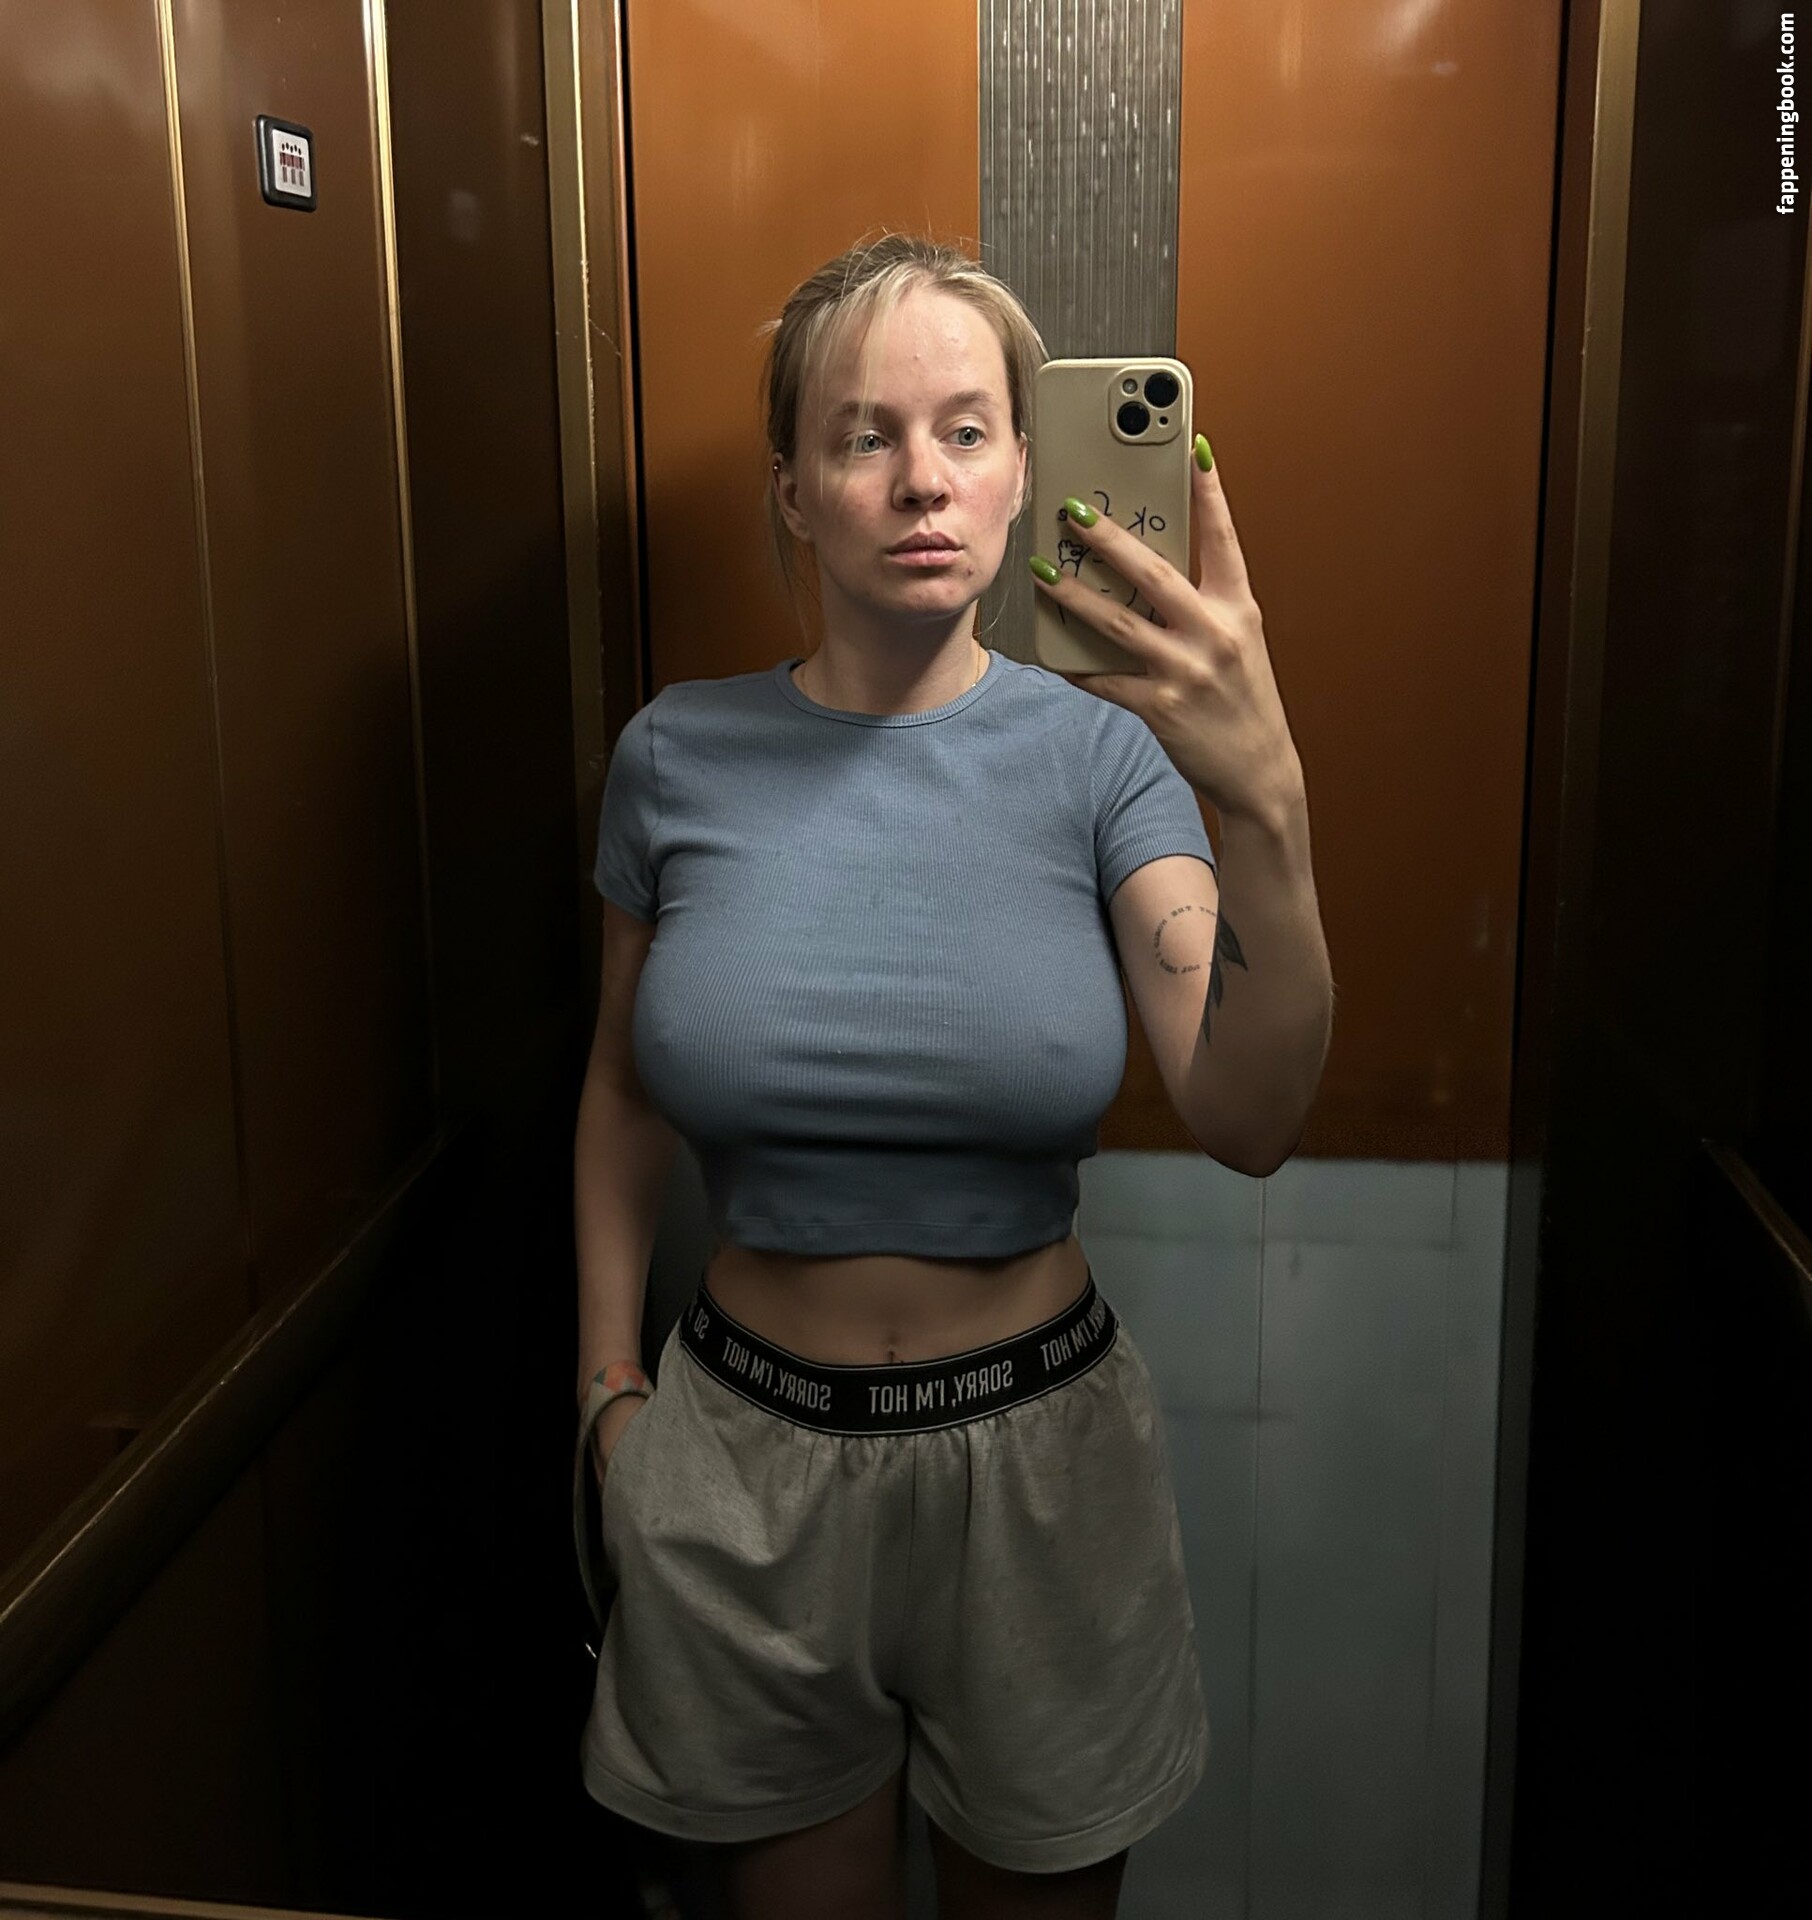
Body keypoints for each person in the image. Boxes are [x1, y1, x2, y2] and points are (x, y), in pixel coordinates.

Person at [572, 230, 1322, 1920]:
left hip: (1043, 1473)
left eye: (968, 430)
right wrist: (606, 1392)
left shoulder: (1108, 756)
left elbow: (1250, 1114)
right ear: (794, 490)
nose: (923, 479)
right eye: (866, 435)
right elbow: (619, 1092)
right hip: (740, 1467)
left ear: (1025, 471)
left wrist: (1265, 800)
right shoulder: (673, 756)